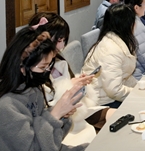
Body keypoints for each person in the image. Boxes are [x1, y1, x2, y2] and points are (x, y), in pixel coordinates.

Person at [29, 13, 108, 143]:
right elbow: (44, 109)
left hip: (74, 114)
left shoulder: (59, 62)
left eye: (64, 40)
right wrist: (70, 86)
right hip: (61, 123)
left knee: (115, 117)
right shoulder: (35, 68)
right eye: (59, 40)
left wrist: (78, 84)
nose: (62, 46)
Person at [83, 4, 138, 107]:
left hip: (111, 96)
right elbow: (114, 91)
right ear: (126, 24)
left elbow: (125, 75)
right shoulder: (110, 50)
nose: (135, 25)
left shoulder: (120, 41)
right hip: (102, 102)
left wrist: (139, 88)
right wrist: (137, 93)